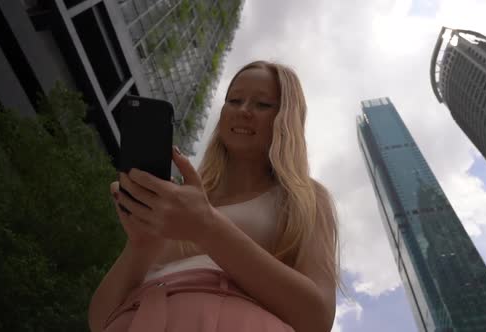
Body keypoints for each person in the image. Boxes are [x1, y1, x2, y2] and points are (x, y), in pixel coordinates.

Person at [88, 60, 341, 332]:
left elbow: (317, 318)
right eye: (234, 100)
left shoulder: (307, 197)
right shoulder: (178, 203)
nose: (243, 110)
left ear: (286, 118)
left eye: (262, 104)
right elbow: (100, 321)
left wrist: (207, 227)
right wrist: (141, 246)